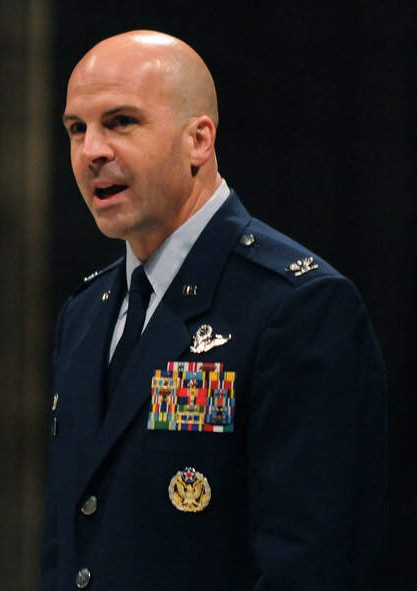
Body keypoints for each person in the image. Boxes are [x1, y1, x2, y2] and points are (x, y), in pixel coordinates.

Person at [43, 30, 386, 590]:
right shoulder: (84, 315)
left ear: (199, 140)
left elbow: (311, 564)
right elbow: (70, 546)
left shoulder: (296, 306)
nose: (92, 151)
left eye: (121, 122)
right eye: (77, 129)